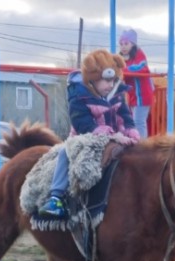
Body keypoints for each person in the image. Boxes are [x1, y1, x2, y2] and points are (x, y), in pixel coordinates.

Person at [38, 49, 140, 218]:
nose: (110, 85)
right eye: (106, 81)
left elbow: (125, 116)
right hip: (86, 138)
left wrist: (131, 130)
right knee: (65, 152)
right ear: (92, 80)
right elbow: (81, 123)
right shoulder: (78, 96)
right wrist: (105, 133)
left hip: (116, 138)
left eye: (114, 80)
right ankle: (56, 197)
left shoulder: (117, 94)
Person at [118, 28, 154, 138]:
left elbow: (141, 68)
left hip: (143, 95)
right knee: (134, 121)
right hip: (134, 96)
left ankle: (142, 146)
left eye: (126, 43)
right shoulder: (123, 58)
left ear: (133, 44)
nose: (123, 46)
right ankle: (136, 143)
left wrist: (123, 71)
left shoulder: (139, 54)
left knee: (139, 122)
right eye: (121, 44)